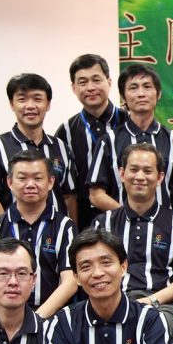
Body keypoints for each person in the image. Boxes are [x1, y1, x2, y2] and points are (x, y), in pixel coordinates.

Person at [93, 142, 173, 330]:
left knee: (158, 327)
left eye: (147, 171)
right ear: (122, 174)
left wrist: (150, 301)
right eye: (134, 169)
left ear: (160, 177)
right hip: (112, 303)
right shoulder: (102, 224)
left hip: (162, 305)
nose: (140, 177)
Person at [0, 150, 78, 320]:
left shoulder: (66, 227)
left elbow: (70, 282)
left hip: (49, 318)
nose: (30, 184)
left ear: (50, 182)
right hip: (1, 317)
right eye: (22, 178)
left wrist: (37, 319)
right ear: (10, 182)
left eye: (38, 178)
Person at [87, 64, 173, 216]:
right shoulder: (108, 141)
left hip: (164, 227)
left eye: (147, 87)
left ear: (158, 94)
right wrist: (128, 216)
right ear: (123, 97)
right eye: (133, 88)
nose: (141, 94)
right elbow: (96, 195)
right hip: (119, 227)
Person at [0, 73, 76, 220]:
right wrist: (6, 232)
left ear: (48, 104)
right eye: (22, 99)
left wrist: (71, 230)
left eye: (37, 99)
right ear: (12, 104)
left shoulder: (61, 147)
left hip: (56, 232)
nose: (30, 106)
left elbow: (68, 196)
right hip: (13, 232)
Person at [54, 53, 126, 229]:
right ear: (73, 88)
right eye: (83, 82)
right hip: (84, 220)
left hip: (125, 216)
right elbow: (65, 188)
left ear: (109, 82)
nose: (90, 87)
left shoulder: (128, 122)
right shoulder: (66, 131)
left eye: (96, 80)